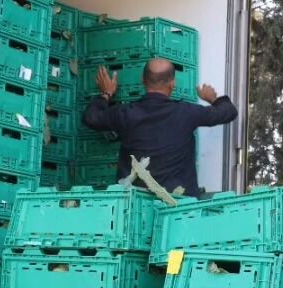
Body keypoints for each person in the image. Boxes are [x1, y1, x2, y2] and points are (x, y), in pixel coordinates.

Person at [81, 57, 238, 195]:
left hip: (135, 205)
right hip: (177, 205)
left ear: (143, 80)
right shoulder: (187, 113)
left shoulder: (126, 113)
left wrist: (106, 94)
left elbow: (91, 118)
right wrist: (213, 98)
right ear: (172, 84)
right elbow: (228, 112)